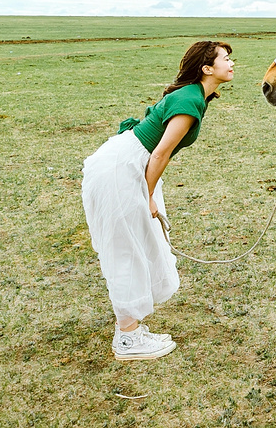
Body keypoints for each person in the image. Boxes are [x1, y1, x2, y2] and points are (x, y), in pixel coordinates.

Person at [81, 40, 234, 360]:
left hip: (131, 162)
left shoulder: (195, 96)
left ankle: (131, 327)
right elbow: (161, 152)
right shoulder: (191, 99)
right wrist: (147, 194)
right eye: (225, 58)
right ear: (207, 69)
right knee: (127, 247)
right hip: (125, 168)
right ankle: (127, 338)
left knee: (139, 243)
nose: (231, 63)